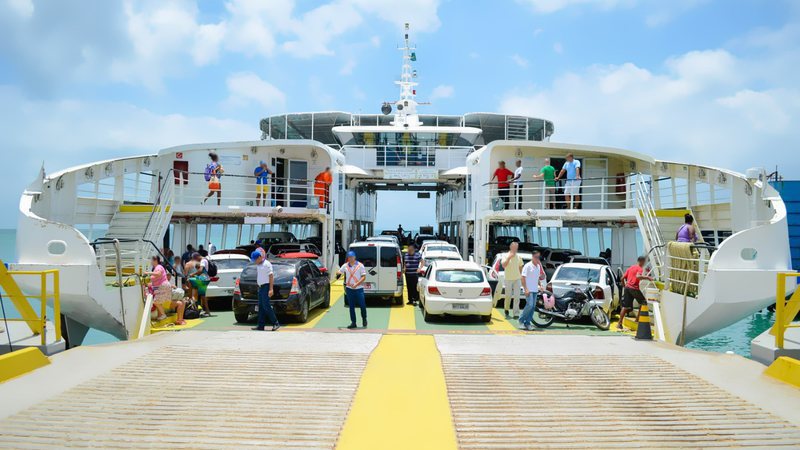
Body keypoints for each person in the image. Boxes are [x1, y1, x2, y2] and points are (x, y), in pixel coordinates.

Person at [147, 256, 186, 325]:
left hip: (163, 296)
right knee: (181, 302)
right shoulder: (158, 279)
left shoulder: (158, 278)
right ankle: (179, 320)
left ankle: (180, 319)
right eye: (167, 275)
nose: (168, 276)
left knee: (182, 301)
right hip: (162, 299)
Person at [618, 256, 653, 330]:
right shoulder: (639, 268)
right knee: (643, 302)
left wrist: (624, 286)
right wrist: (647, 277)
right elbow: (638, 277)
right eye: (644, 262)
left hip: (627, 288)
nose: (644, 264)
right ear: (642, 261)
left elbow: (622, 278)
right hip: (634, 288)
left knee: (625, 306)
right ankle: (637, 319)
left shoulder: (630, 268)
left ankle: (619, 323)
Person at [250, 251, 280, 331]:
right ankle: (261, 325)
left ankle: (275, 323)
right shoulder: (258, 265)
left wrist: (271, 289)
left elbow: (271, 276)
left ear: (260, 257)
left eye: (255, 260)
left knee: (266, 305)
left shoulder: (267, 264)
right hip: (260, 287)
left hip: (266, 286)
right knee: (261, 307)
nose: (255, 262)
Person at [337, 251, 367, 329]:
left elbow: (364, 277)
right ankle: (353, 322)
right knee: (351, 306)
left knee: (362, 305)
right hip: (349, 289)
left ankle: (364, 318)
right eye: (349, 257)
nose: (350, 259)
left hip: (359, 289)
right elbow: (339, 272)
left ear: (355, 257)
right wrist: (337, 273)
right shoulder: (345, 266)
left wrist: (357, 284)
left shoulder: (360, 266)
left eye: (351, 257)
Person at [518, 251, 546, 330]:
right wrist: (526, 289)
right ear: (533, 257)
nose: (538, 259)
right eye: (536, 257)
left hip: (535, 290)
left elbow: (537, 278)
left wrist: (540, 285)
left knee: (533, 307)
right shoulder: (527, 266)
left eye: (539, 257)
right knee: (529, 305)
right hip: (528, 289)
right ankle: (521, 321)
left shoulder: (538, 266)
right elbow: (523, 277)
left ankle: (527, 323)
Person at [501, 242, 524, 319]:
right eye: (513, 247)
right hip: (508, 278)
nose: (515, 249)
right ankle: (506, 308)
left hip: (517, 278)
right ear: (510, 247)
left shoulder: (519, 257)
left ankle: (516, 313)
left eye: (516, 247)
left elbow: (520, 267)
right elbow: (504, 265)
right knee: (508, 296)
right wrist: (509, 257)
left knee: (517, 296)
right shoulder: (505, 255)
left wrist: (521, 276)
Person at [186, 252, 212, 317]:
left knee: (189, 280)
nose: (196, 261)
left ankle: (189, 298)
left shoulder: (203, 261)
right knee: (203, 296)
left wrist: (193, 274)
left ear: (197, 257)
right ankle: (207, 311)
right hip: (206, 279)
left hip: (203, 279)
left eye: (195, 259)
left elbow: (200, 270)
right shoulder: (205, 259)